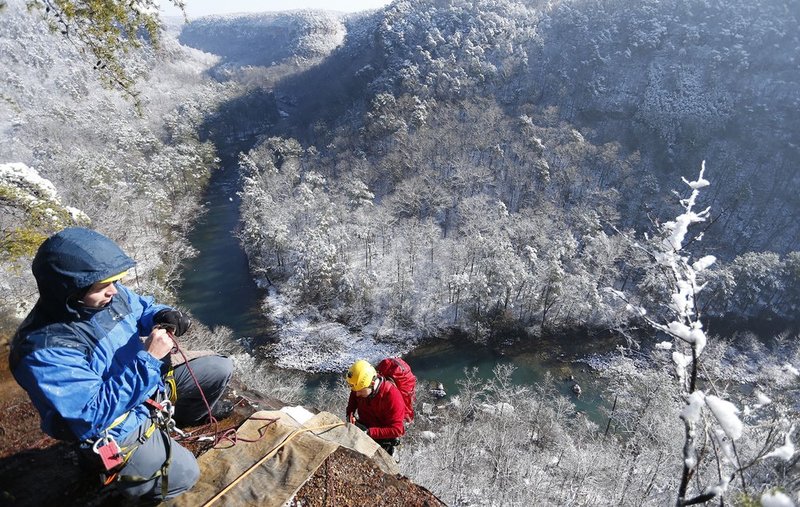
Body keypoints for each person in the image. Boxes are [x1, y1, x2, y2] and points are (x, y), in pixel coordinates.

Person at [9, 227, 234, 503]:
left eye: (114, 281)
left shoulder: (102, 296)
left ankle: (182, 418)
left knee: (219, 369)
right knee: (183, 475)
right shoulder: (44, 349)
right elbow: (90, 414)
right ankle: (125, 483)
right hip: (112, 423)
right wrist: (148, 360)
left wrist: (161, 314)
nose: (114, 291)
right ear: (69, 289)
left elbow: (140, 308)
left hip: (143, 384)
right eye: (103, 286)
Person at [345, 359, 405, 456]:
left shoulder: (392, 396)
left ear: (372, 384)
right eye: (355, 390)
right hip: (366, 428)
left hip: (383, 438)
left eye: (360, 391)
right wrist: (350, 413)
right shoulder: (361, 386)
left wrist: (369, 432)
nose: (357, 394)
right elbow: (353, 398)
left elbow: (398, 429)